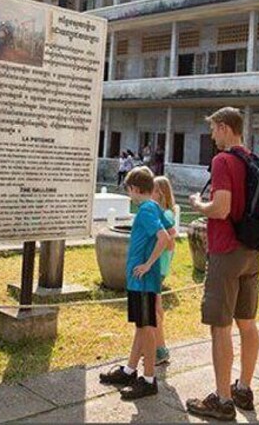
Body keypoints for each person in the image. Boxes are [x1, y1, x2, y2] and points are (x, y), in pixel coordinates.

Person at [187, 107, 258, 421]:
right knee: (248, 323)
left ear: (226, 127)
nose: (212, 135)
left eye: (214, 129)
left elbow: (220, 209)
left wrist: (198, 205)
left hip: (226, 250)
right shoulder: (251, 159)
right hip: (251, 251)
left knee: (220, 327)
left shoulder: (223, 161)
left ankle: (223, 399)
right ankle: (243, 388)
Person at [99, 166, 170, 400]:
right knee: (142, 326)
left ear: (135, 189)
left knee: (147, 329)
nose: (129, 195)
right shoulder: (154, 207)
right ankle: (130, 370)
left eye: (129, 190)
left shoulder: (147, 210)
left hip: (143, 281)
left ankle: (148, 379)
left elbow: (165, 239)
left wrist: (148, 264)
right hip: (141, 280)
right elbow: (170, 235)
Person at [151, 175, 178, 365]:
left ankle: (160, 349)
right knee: (156, 307)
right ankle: (155, 345)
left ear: (159, 193)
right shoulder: (165, 213)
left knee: (153, 308)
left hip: (156, 267)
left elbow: (169, 243)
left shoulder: (164, 215)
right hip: (158, 267)